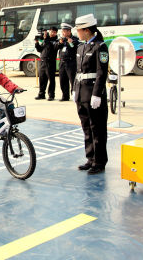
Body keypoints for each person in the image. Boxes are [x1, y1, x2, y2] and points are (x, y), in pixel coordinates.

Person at [73, 14, 109, 175]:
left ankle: (99, 161)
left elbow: (101, 73)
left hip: (94, 94)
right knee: (87, 128)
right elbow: (77, 71)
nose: (77, 33)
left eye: (79, 30)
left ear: (87, 30)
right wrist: (74, 89)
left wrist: (97, 94)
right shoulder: (81, 47)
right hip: (81, 93)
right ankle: (90, 158)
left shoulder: (100, 46)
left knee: (98, 129)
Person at [56, 23, 80, 101]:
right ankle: (65, 96)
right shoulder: (62, 39)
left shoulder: (74, 39)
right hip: (62, 63)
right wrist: (60, 43)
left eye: (65, 31)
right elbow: (56, 47)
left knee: (72, 80)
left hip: (71, 63)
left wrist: (70, 42)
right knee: (63, 80)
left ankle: (74, 95)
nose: (63, 33)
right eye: (62, 31)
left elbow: (74, 47)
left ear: (69, 31)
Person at [35, 26, 58, 101]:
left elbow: (52, 47)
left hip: (50, 63)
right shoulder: (45, 39)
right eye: (51, 31)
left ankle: (51, 95)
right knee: (42, 79)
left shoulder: (55, 41)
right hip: (42, 62)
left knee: (51, 80)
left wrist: (46, 39)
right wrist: (37, 43)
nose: (52, 33)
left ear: (56, 33)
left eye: (54, 32)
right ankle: (41, 94)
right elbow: (40, 49)